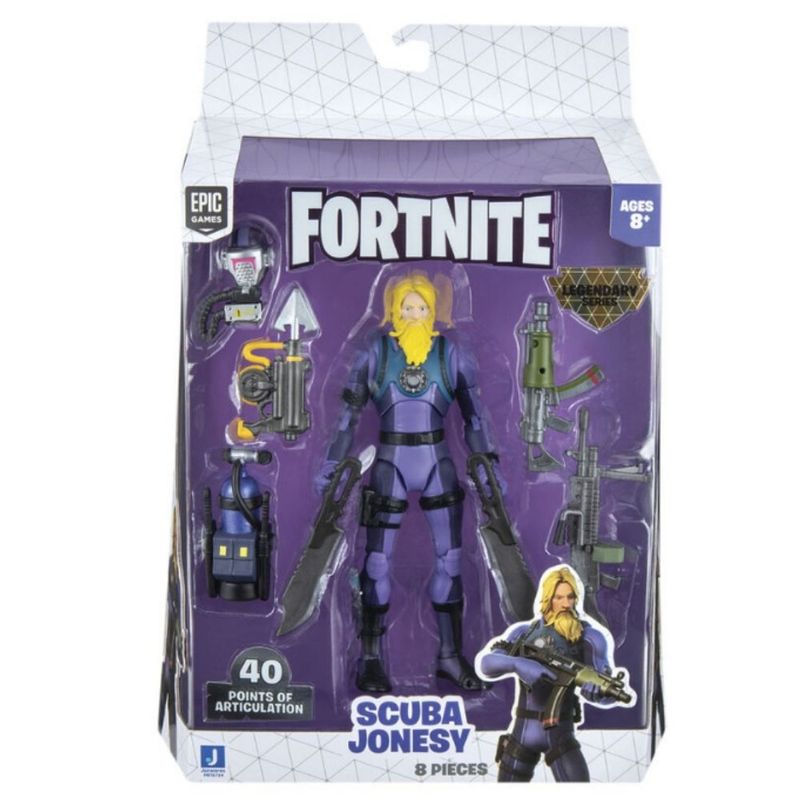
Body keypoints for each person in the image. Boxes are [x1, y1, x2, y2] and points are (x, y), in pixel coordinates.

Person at [317, 272, 500, 693]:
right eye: (407, 307)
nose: (414, 314)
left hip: (438, 462)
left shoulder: (450, 354)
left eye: (422, 307)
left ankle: (450, 656)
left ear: (433, 311)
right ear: (393, 310)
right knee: (376, 563)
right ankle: (369, 659)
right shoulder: (376, 353)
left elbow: (475, 419)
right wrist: (331, 463)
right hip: (390, 463)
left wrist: (488, 467)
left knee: (450, 561)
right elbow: (347, 418)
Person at [477, 566, 625, 782]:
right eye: (558, 597)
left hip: (560, 733)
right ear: (548, 598)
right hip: (522, 733)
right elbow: (486, 665)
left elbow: (604, 689)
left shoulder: (590, 638)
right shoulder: (524, 633)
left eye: (570, 597)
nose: (565, 604)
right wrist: (518, 664)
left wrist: (600, 694)